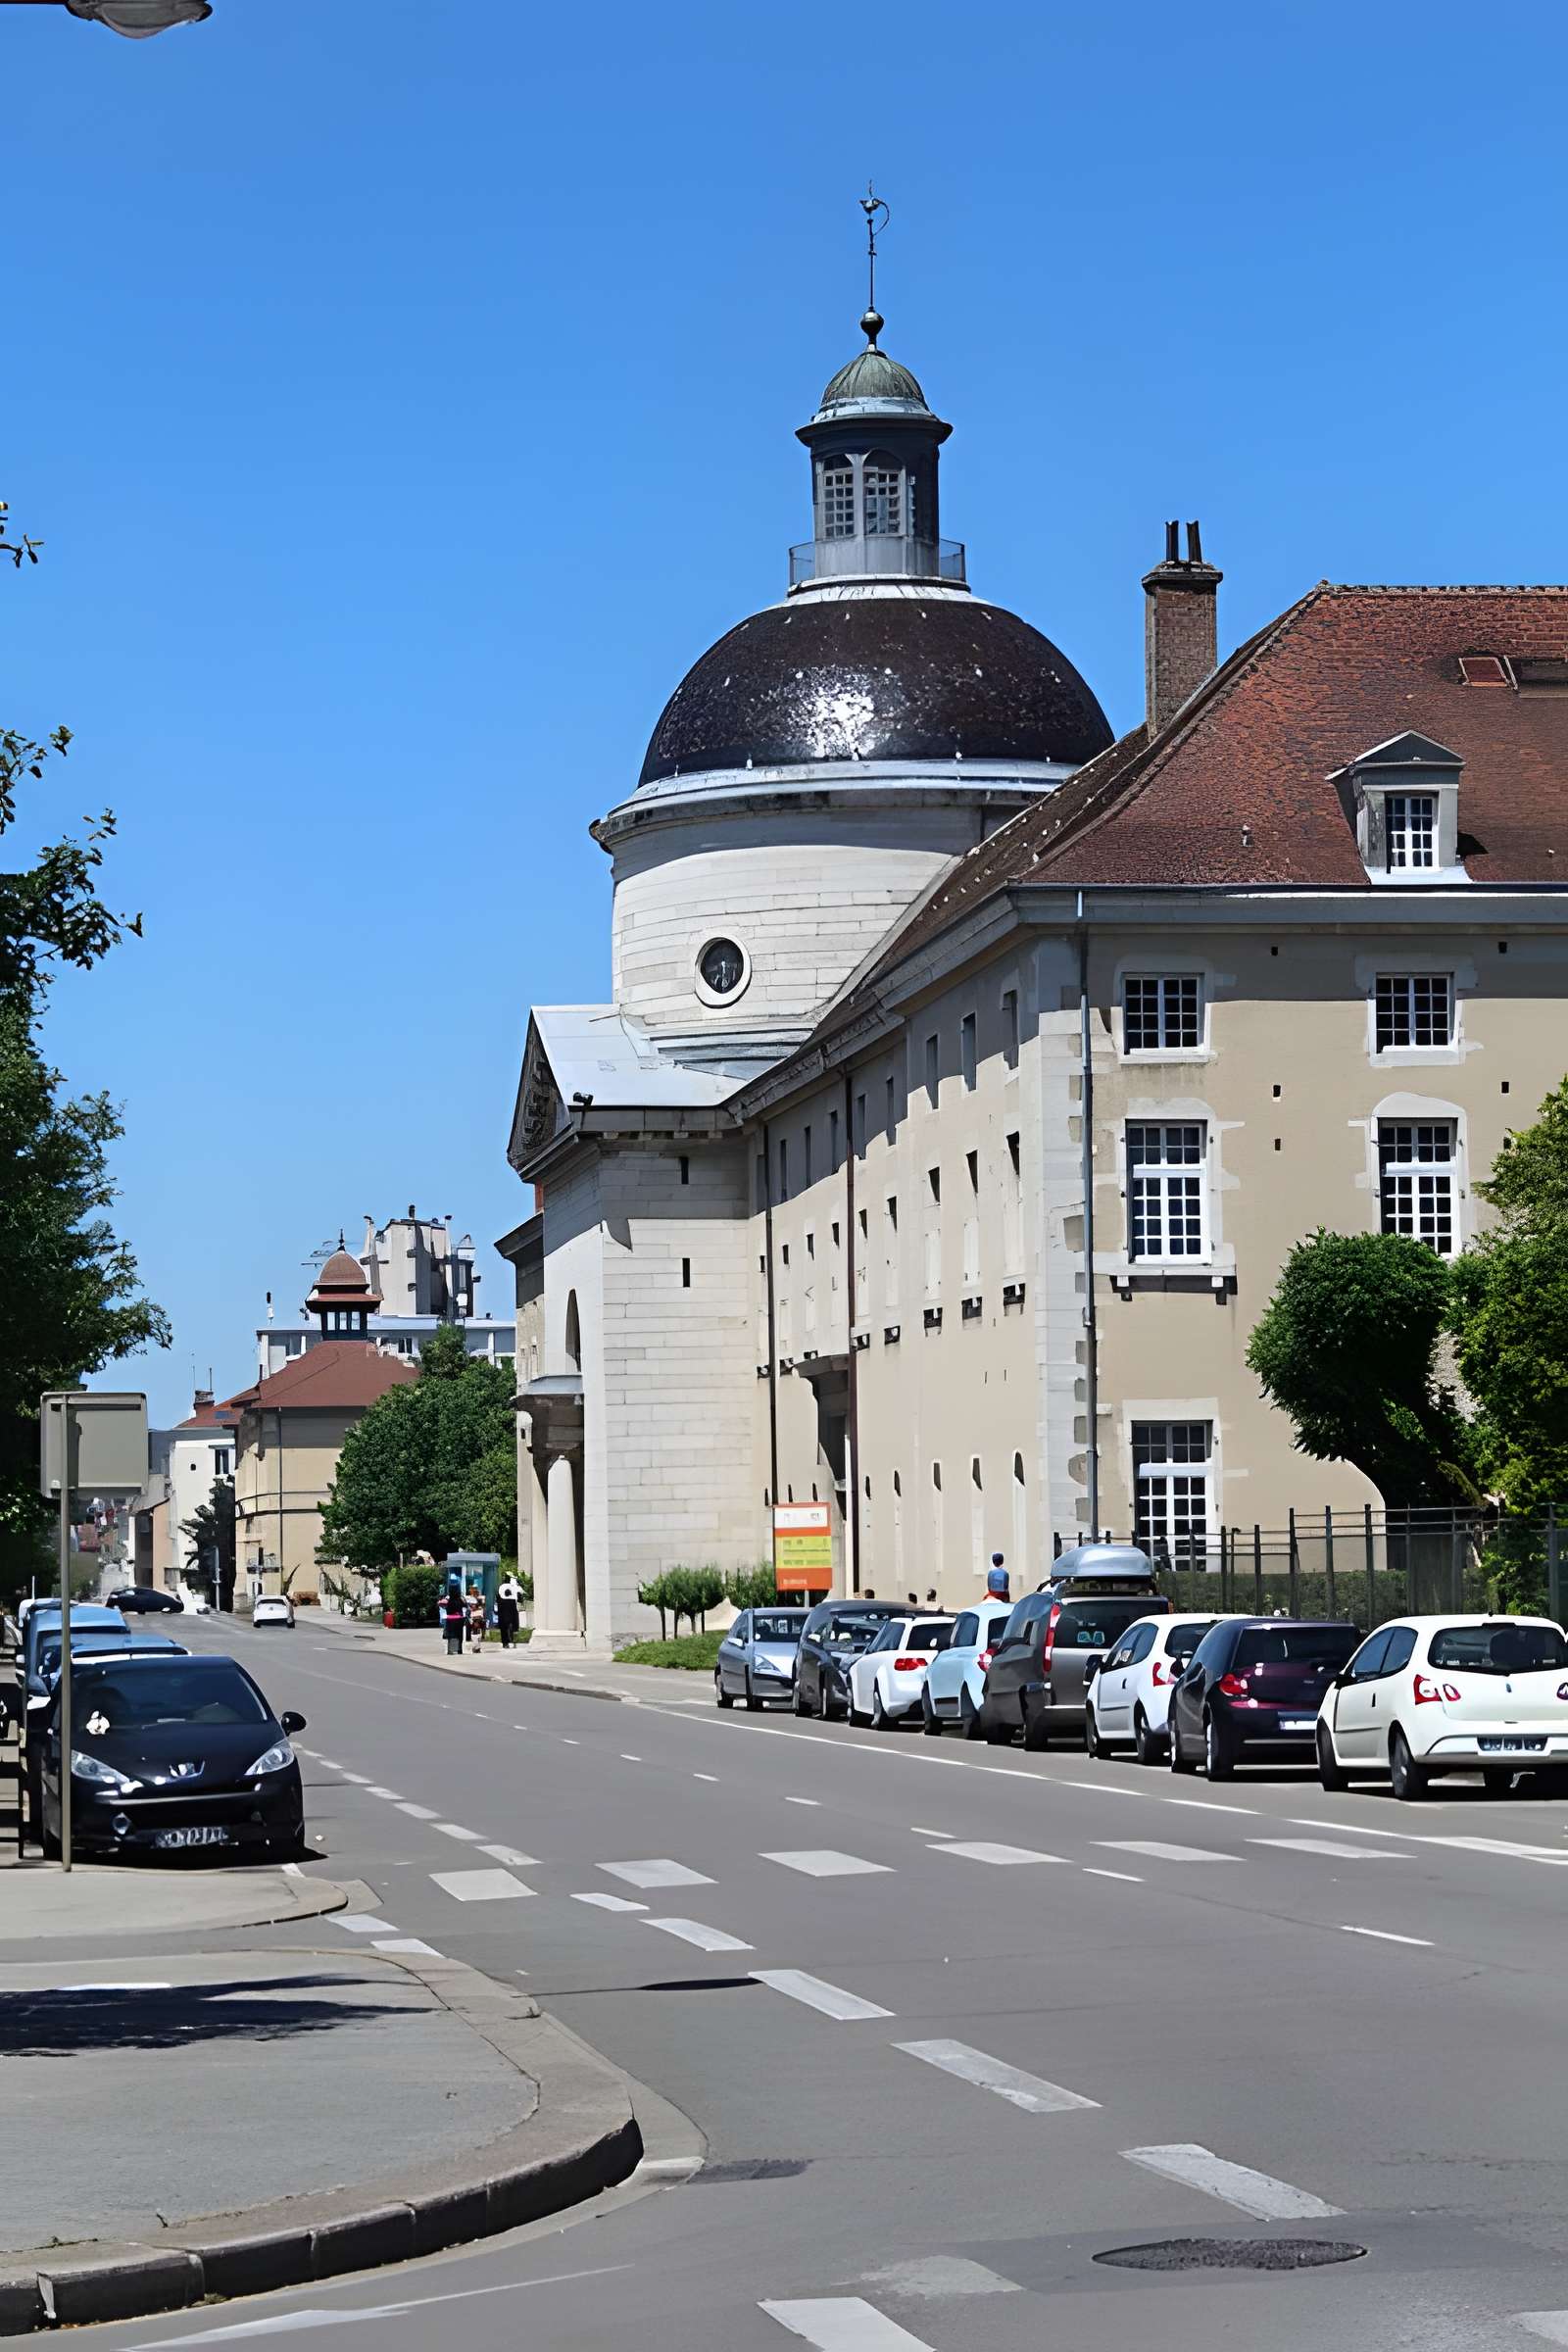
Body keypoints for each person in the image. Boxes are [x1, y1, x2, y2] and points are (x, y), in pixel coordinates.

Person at [496, 1572, 521, 1649]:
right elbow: (515, 1610)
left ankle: (505, 1643)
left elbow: (498, 1605)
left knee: (504, 1631)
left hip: (503, 1618)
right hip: (511, 1618)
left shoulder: (501, 1599)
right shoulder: (512, 1600)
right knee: (512, 1630)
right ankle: (512, 1642)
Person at [440, 1580, 465, 1657]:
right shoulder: (461, 1598)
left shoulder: (448, 1598)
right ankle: (459, 1649)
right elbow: (465, 1605)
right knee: (459, 1634)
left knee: (451, 1635)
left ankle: (451, 1649)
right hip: (459, 1618)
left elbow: (441, 1604)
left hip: (450, 1618)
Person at [466, 1586, 486, 1652]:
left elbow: (473, 1608)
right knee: (477, 1632)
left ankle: (476, 1647)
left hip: (475, 1618)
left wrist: (474, 1606)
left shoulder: (472, 1599)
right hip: (480, 1617)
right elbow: (482, 1607)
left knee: (475, 1632)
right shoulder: (481, 1598)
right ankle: (478, 1647)